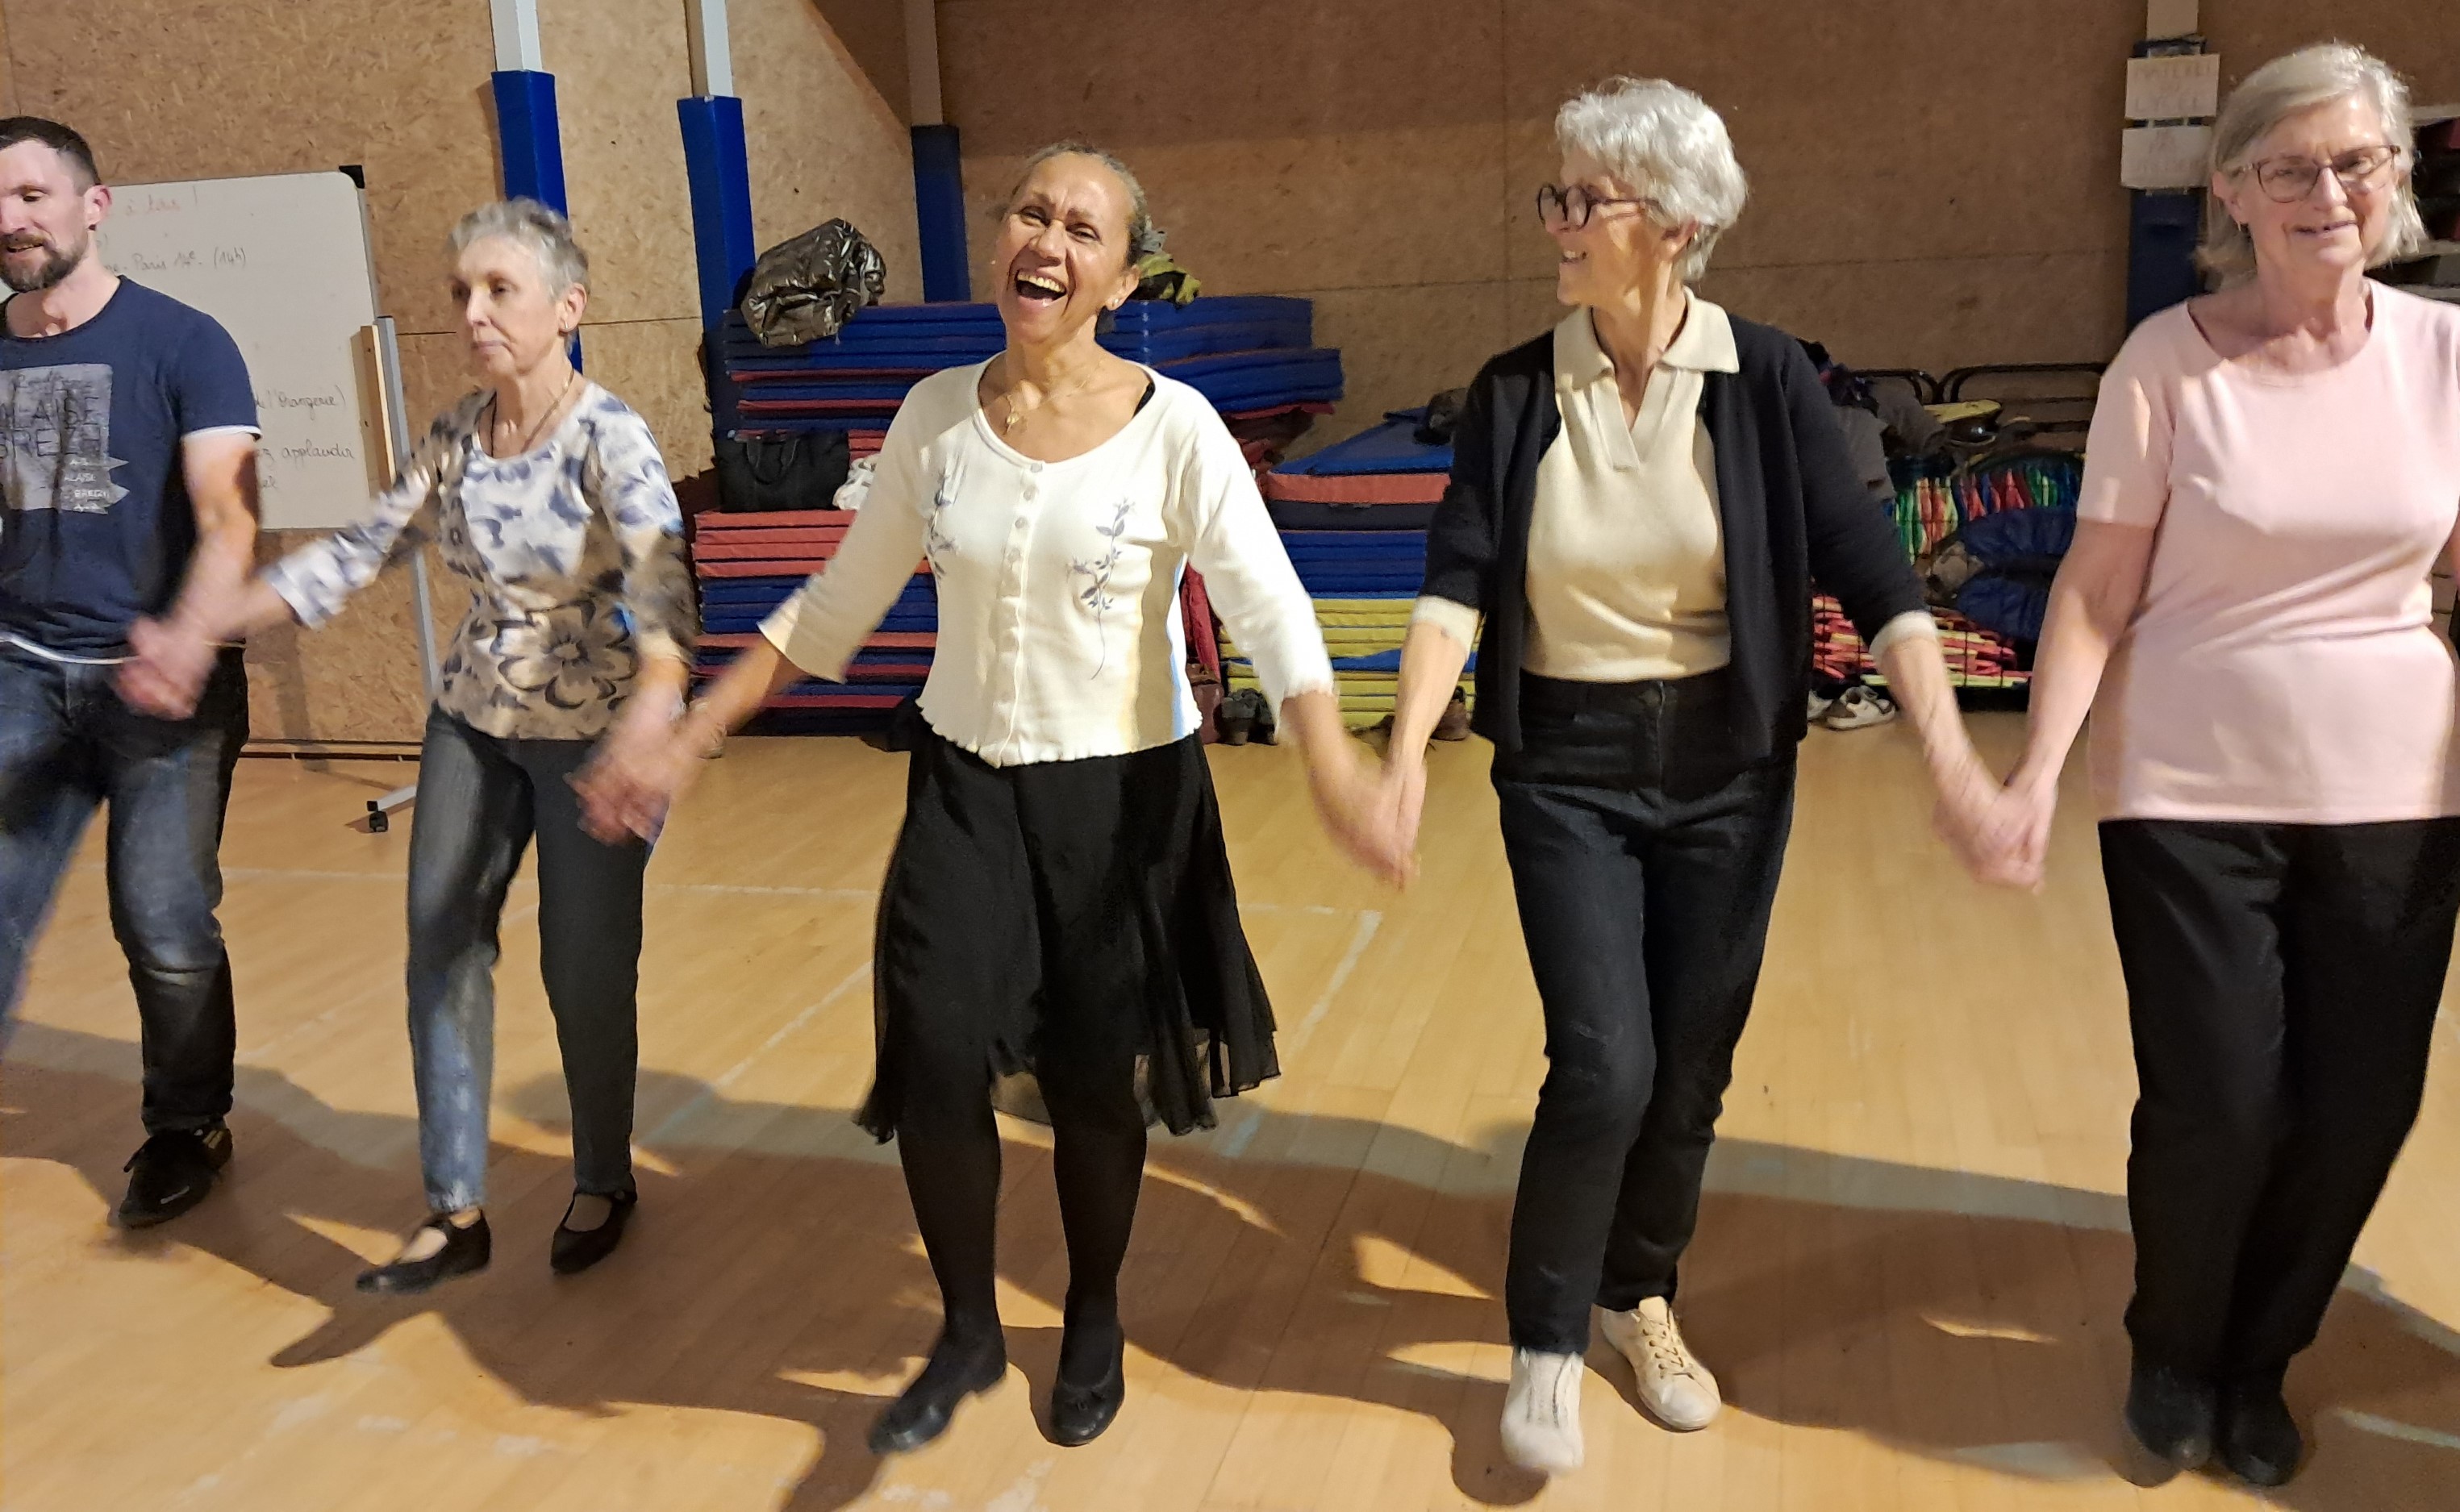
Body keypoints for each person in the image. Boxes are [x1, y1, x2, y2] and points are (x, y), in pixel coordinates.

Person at [580, 143, 1375, 1454]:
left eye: (1083, 229)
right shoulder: (935, 416)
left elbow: (1270, 609)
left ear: (1121, 279)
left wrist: (1332, 760)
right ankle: (964, 1329)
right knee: (937, 1051)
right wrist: (692, 726)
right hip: (964, 787)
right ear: (1001, 240)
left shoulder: (1175, 428)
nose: (1047, 242)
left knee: (1094, 1080)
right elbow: (836, 605)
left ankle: (1095, 1311)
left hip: (1123, 799)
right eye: (1029, 214)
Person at [1353, 78, 2003, 1475]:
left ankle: (1635, 1294)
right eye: (1556, 194)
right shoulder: (1514, 389)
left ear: (1678, 223)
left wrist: (1950, 754)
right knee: (1605, 1063)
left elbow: (1876, 576)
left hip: (1728, 770)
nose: (1557, 223)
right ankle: (1544, 1339)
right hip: (1566, 771)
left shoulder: (1764, 381)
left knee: (1690, 1067)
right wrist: (1402, 755)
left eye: (1586, 200)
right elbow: (1455, 580)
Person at [1970, 44, 2454, 1489]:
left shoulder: (2446, 358)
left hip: (2399, 794)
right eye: (2288, 166)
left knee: (2359, 1108)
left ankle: (2261, 1357)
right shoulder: (2168, 361)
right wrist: (2034, 774)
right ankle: (2173, 1346)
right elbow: (2091, 589)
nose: (2327, 192)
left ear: (2396, 176)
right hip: (2188, 793)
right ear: (2231, 190)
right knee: (2220, 1103)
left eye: (2355, 161)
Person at [131, 199, 695, 1292]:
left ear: (568, 308)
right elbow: (355, 552)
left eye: (499, 290)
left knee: (584, 971)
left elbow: (664, 587)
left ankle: (602, 1175)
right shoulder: (455, 438)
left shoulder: (611, 437)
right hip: (473, 722)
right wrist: (208, 620)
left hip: (591, 737)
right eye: (461, 293)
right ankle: (454, 1209)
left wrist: (654, 712)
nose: (473, 313)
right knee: (439, 947)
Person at [0, 117, 261, 1227]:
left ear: (92, 205)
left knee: (161, 919)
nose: (11, 221)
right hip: (21, 668)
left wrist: (192, 631)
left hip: (163, 683)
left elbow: (229, 517)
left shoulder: (185, 341)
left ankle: (187, 1126)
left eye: (31, 195)